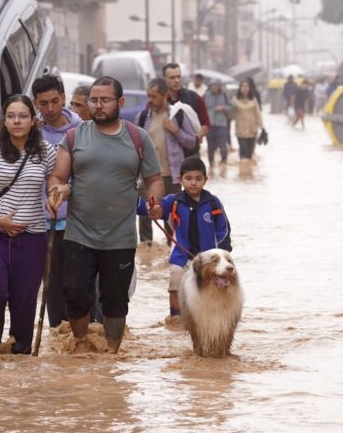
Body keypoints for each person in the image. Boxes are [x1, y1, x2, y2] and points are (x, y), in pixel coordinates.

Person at [47, 76, 163, 354]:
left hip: (120, 237)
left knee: (115, 302)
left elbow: (154, 178)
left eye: (105, 100)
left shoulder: (137, 138)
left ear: (120, 102)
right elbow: (58, 176)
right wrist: (57, 192)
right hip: (79, 234)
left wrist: (154, 202)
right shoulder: (75, 136)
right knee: (75, 296)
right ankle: (83, 346)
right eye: (94, 100)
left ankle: (111, 356)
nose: (98, 106)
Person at [0, 94, 56, 354]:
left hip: (32, 237)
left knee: (25, 300)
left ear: (33, 120)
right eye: (11, 116)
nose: (16, 121)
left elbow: (57, 182)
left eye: (22, 116)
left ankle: (20, 356)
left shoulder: (46, 151)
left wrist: (54, 197)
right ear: (4, 120)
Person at [141, 157, 231, 318]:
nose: (193, 183)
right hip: (181, 257)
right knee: (175, 287)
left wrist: (223, 252)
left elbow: (223, 229)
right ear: (179, 179)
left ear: (205, 180)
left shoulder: (213, 203)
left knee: (211, 289)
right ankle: (176, 318)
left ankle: (209, 319)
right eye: (188, 178)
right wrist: (150, 208)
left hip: (209, 260)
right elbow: (155, 209)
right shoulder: (173, 201)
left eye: (198, 178)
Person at [31, 74, 82, 328]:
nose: (50, 109)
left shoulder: (81, 130)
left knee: (78, 285)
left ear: (64, 98)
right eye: (43, 104)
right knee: (51, 287)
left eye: (54, 101)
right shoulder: (31, 134)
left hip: (78, 223)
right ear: (35, 103)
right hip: (43, 223)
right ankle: (58, 339)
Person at [135, 78, 197, 245]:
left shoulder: (178, 115)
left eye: (154, 96)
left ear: (165, 95)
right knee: (145, 215)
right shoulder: (142, 117)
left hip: (172, 175)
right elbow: (133, 146)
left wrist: (176, 131)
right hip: (148, 175)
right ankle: (147, 251)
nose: (150, 100)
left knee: (171, 216)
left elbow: (192, 142)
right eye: (148, 96)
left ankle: (172, 249)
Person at [162, 63, 210, 154]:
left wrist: (196, 138)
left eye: (179, 77)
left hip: (190, 153)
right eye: (172, 78)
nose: (176, 80)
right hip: (167, 154)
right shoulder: (159, 101)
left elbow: (206, 124)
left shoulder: (194, 98)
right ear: (164, 79)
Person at [232, 79, 263, 163]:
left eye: (246, 86)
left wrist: (262, 127)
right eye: (243, 86)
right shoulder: (235, 100)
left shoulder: (253, 100)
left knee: (249, 154)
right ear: (240, 88)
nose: (245, 88)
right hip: (240, 131)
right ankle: (243, 174)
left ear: (249, 88)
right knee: (243, 152)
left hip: (252, 130)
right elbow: (231, 115)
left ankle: (249, 174)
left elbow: (258, 114)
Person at [203, 79, 231, 168]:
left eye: (215, 86)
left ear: (219, 87)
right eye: (212, 86)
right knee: (210, 147)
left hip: (222, 124)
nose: (213, 87)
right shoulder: (205, 96)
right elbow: (201, 108)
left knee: (223, 145)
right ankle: (211, 165)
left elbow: (231, 107)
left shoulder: (224, 95)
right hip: (209, 125)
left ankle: (224, 163)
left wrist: (223, 108)